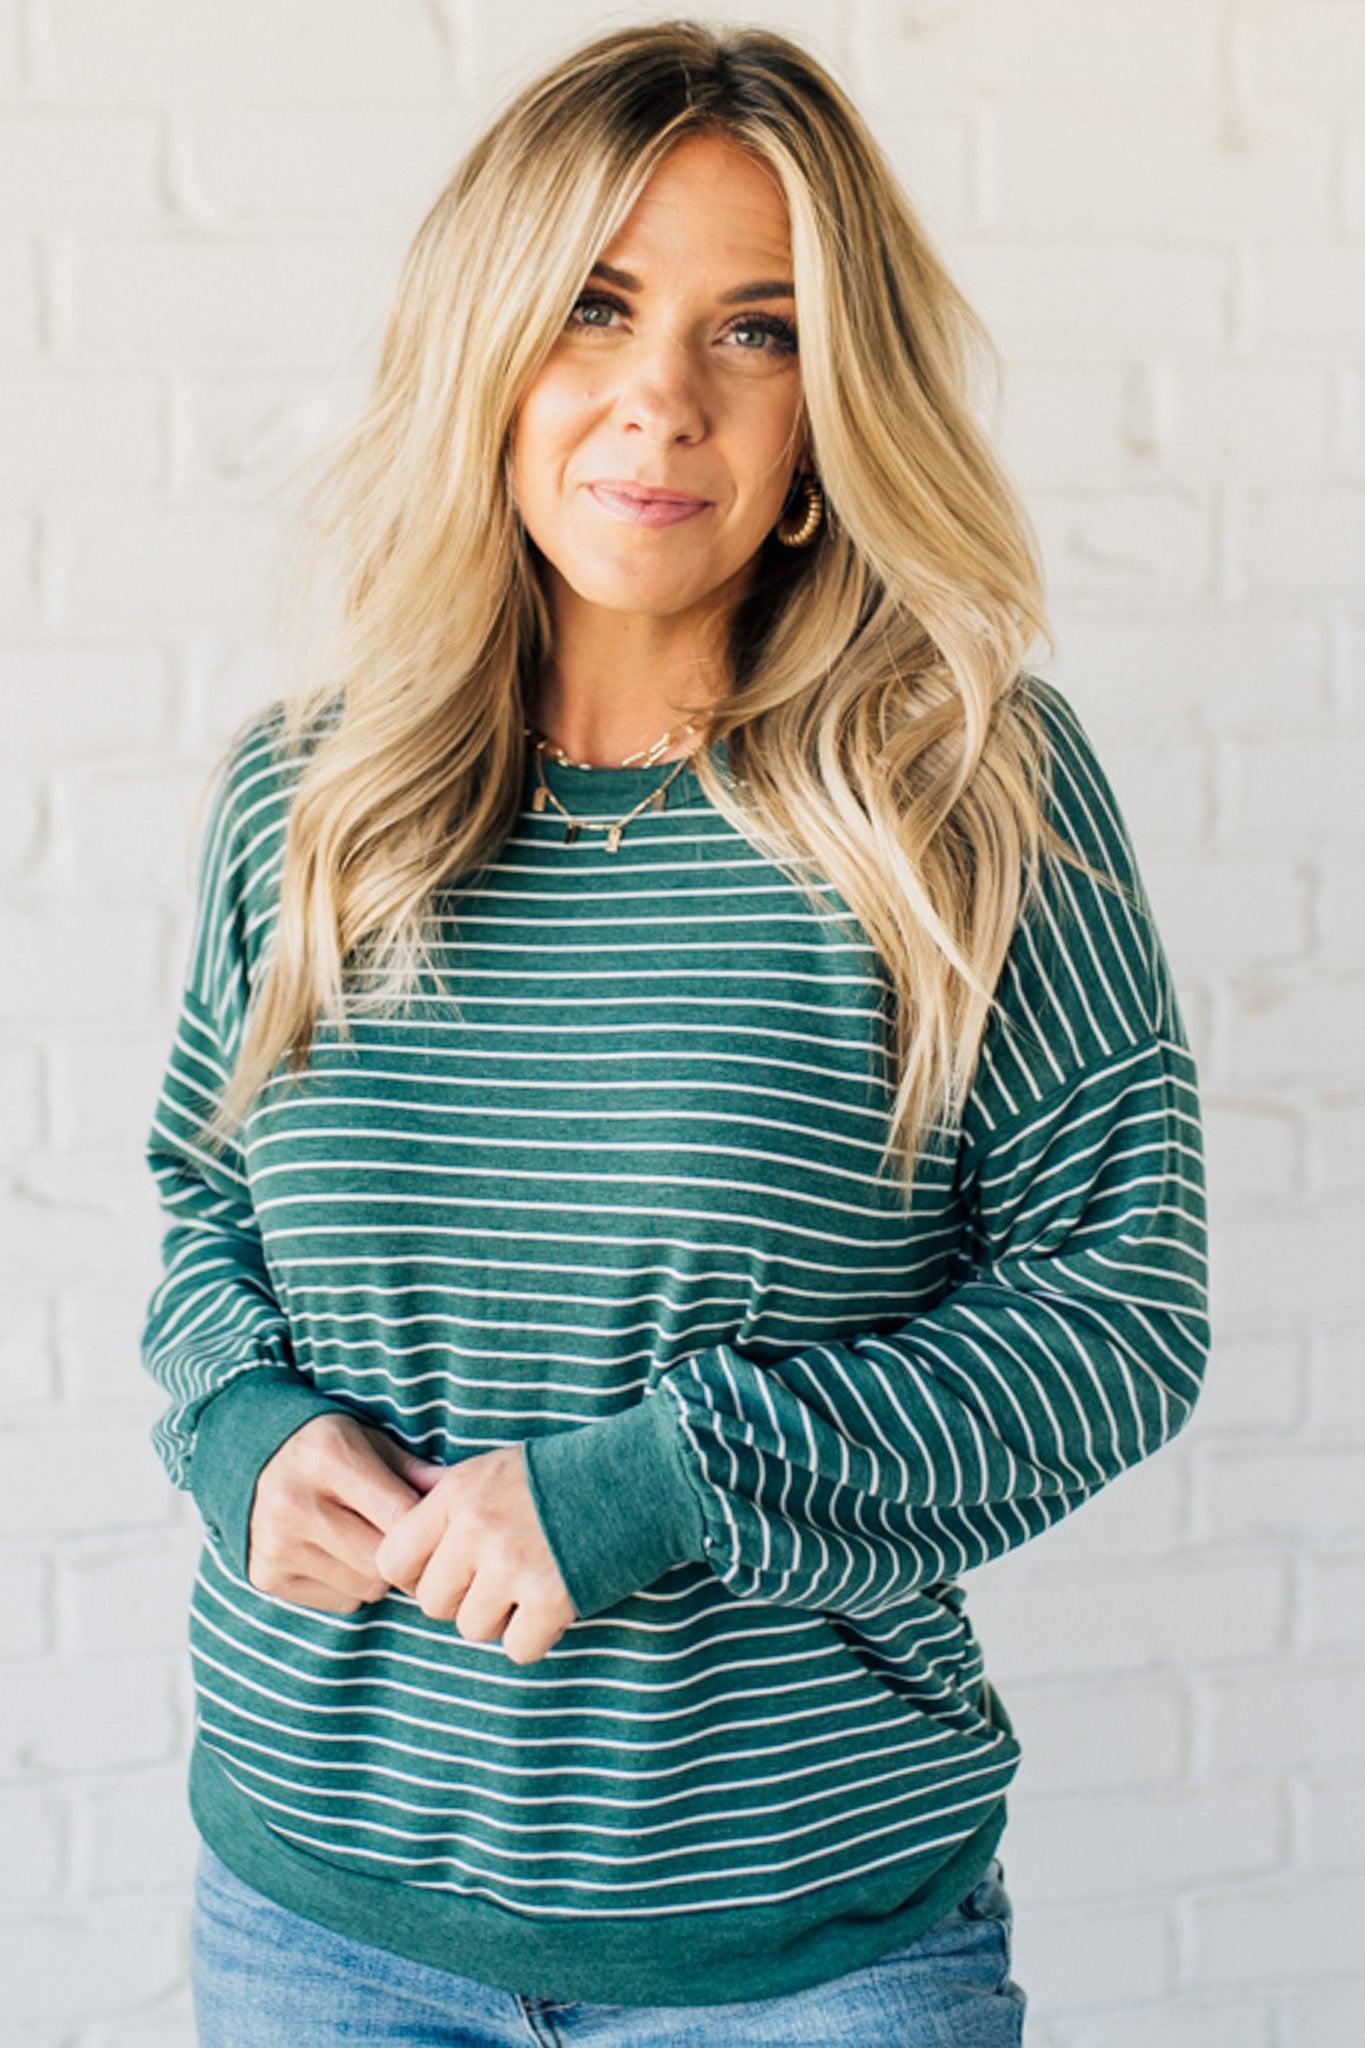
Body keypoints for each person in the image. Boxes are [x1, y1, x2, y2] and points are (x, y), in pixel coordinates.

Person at [139, 20, 1210, 2046]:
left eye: (753, 331)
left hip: (804, 1957)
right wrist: (241, 1432)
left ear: (833, 402)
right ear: (490, 343)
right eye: (596, 306)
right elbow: (200, 1195)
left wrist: (657, 1481)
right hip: (317, 1920)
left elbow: (1119, 1306)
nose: (657, 401)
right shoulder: (306, 794)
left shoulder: (963, 792)